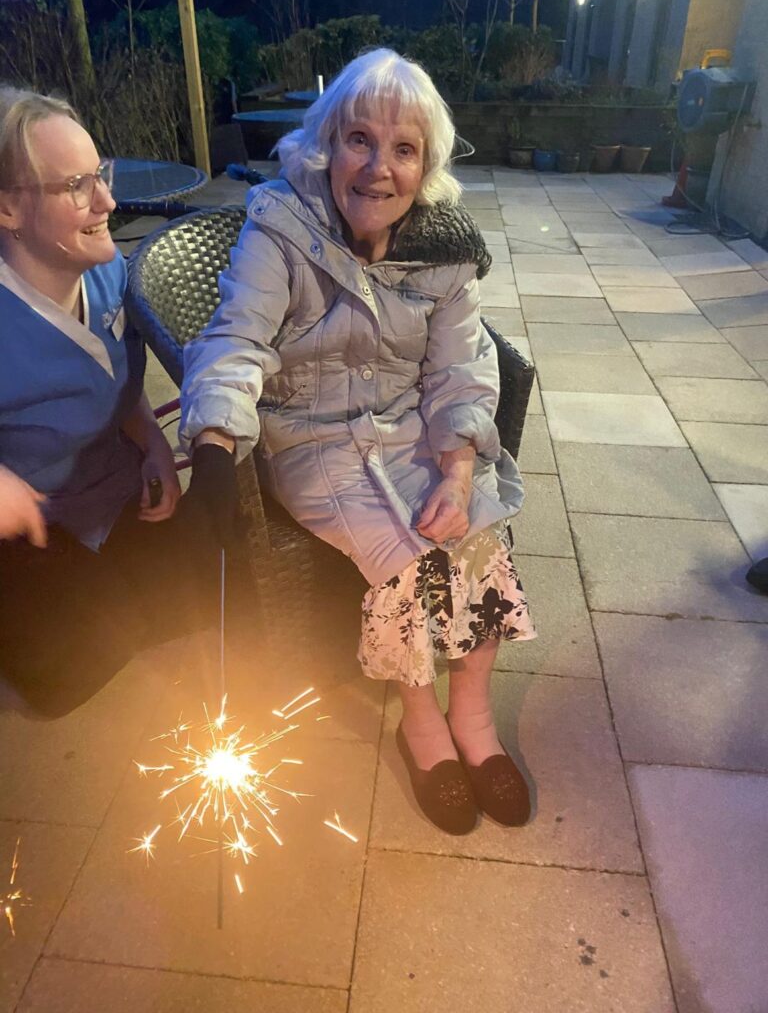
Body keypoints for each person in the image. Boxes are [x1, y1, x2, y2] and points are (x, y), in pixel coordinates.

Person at [180, 49, 536, 835]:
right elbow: (235, 339)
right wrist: (211, 443)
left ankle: (473, 718)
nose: (379, 168)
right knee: (408, 560)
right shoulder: (280, 227)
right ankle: (422, 726)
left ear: (426, 164)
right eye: (359, 140)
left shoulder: (444, 249)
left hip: (410, 433)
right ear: (326, 143)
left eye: (404, 149)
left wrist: (458, 464)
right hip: (312, 444)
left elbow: (462, 369)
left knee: (477, 540)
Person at [0, 87, 205, 718]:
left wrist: (152, 445)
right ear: (9, 207)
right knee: (67, 678)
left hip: (116, 494)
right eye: (76, 187)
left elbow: (121, 386)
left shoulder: (111, 273)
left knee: (208, 589)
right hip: (32, 526)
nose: (108, 203)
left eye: (102, 175)